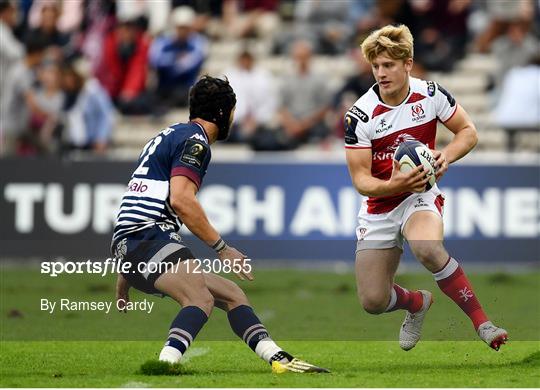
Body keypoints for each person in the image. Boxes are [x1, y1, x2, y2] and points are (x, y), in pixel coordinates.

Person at [111, 75, 328, 374]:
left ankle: (278, 359)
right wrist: (222, 249)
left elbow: (139, 200)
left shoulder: (168, 135)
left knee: (232, 294)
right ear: (224, 113)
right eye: (234, 112)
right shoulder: (195, 142)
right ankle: (163, 366)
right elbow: (182, 201)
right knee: (199, 299)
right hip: (149, 236)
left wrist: (126, 272)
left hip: (135, 243)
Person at [344, 25, 508, 351]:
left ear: (408, 64)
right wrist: (393, 183)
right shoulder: (360, 115)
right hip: (380, 205)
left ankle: (484, 325)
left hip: (419, 194)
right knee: (373, 300)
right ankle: (417, 303)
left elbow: (468, 132)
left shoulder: (431, 94)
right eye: (376, 66)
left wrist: (444, 156)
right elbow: (362, 181)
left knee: (428, 248)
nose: (381, 73)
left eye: (388, 65)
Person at [149, 6, 208, 108]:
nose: (182, 31)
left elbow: (189, 64)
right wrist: (175, 58)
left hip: (186, 87)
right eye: (180, 27)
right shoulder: (163, 41)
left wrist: (171, 62)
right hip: (164, 86)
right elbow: (155, 60)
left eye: (185, 28)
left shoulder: (199, 42)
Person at [61, 63, 113, 154]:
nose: (68, 80)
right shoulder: (68, 93)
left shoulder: (93, 91)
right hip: (72, 142)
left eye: (72, 77)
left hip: (90, 143)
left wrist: (101, 137)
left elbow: (106, 114)